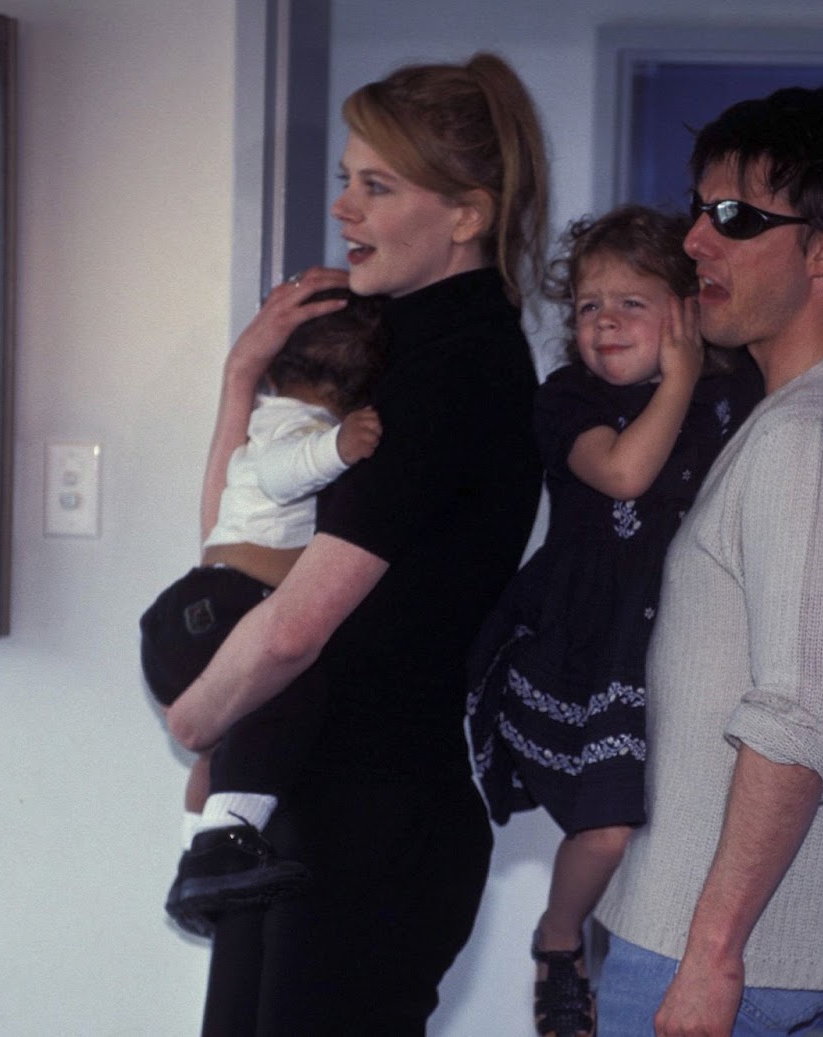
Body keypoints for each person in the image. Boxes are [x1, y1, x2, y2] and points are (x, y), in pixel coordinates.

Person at [164, 52, 546, 1034]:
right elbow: (237, 542)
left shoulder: (454, 371)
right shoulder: (388, 342)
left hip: (374, 822)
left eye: (376, 186)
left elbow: (293, 626)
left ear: (466, 212)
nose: (344, 209)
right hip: (309, 802)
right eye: (346, 179)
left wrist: (197, 715)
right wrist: (242, 379)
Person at [594, 86, 823, 1037]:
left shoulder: (812, 442)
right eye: (696, 211)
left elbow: (803, 714)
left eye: (735, 218)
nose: (697, 240)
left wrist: (710, 959)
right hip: (765, 954)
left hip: (731, 962)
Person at [464, 205, 762, 1037]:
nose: (605, 321)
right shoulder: (568, 397)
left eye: (632, 302)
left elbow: (811, 405)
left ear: (687, 309)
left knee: (676, 828)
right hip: (580, 647)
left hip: (675, 645)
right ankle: (560, 937)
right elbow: (625, 475)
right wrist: (677, 376)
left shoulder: (735, 394)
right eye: (590, 305)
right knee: (603, 831)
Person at [140, 289, 386, 938]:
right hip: (224, 610)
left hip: (193, 612)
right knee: (291, 689)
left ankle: (195, 855)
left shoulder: (264, 412)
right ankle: (226, 846)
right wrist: (338, 445)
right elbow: (283, 472)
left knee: (220, 756)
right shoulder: (293, 426)